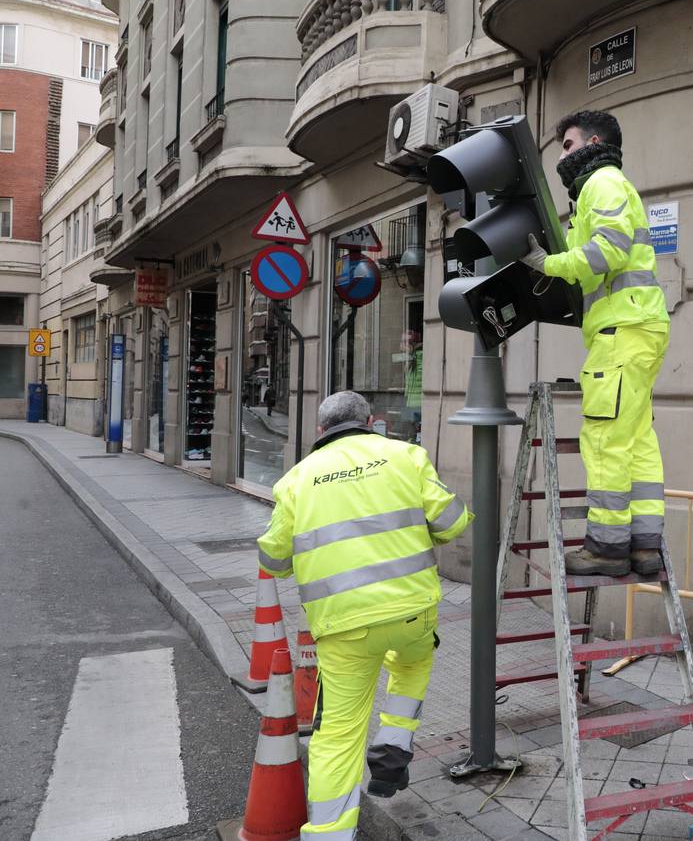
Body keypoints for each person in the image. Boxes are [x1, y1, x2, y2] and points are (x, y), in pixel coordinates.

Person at [256, 390, 472, 840]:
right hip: (412, 613)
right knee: (412, 663)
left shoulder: (295, 481)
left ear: (321, 431)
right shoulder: (406, 456)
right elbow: (452, 522)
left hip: (343, 629)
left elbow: (274, 559)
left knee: (337, 735)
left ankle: (331, 834)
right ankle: (392, 753)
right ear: (371, 421)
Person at [520, 110, 670, 578]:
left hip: (621, 333)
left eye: (567, 144)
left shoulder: (601, 182)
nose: (562, 155)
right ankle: (645, 548)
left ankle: (606, 548)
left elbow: (607, 251)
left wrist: (549, 265)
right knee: (637, 443)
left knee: (605, 440)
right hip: (639, 329)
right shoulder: (609, 186)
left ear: (593, 141)